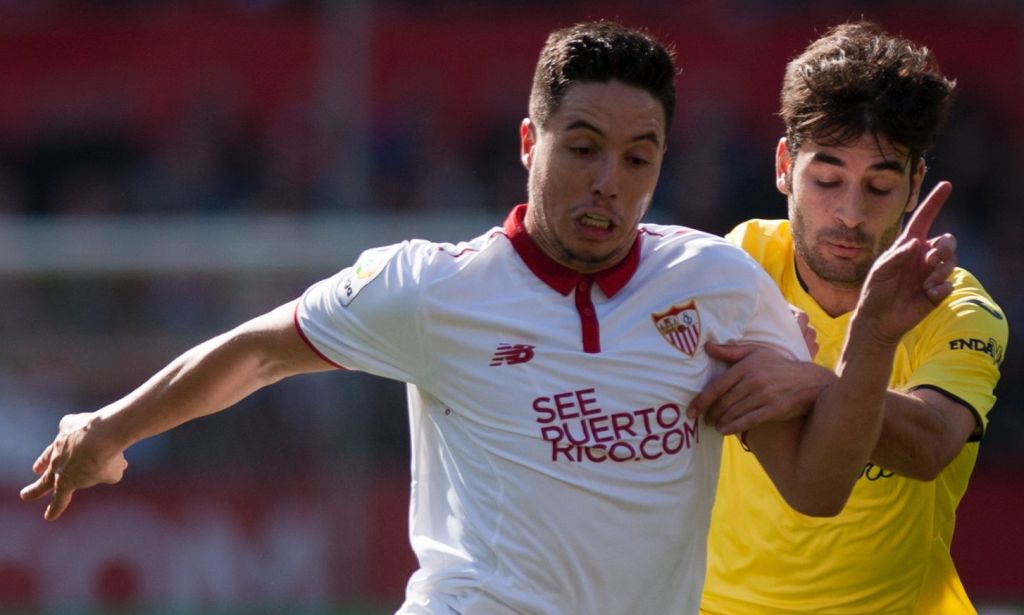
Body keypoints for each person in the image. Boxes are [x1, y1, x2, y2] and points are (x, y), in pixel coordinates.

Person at [21, 21, 957, 614]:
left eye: (639, 157)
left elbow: (816, 487)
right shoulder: (433, 289)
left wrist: (869, 340)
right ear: (528, 143)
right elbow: (256, 354)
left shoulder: (713, 286)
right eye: (582, 148)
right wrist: (107, 427)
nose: (609, 182)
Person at [695, 21, 1008, 615]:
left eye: (880, 186)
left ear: (916, 184)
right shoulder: (741, 263)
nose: (850, 213)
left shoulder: (959, 305)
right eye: (827, 179)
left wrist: (817, 383)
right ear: (785, 165)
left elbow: (930, 445)